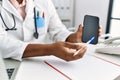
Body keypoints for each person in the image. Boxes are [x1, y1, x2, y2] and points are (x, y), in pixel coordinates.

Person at [0, 0, 101, 61]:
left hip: (38, 62)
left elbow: (57, 30)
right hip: (5, 63)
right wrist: (49, 49)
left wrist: (74, 37)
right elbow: (2, 44)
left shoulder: (44, 2)